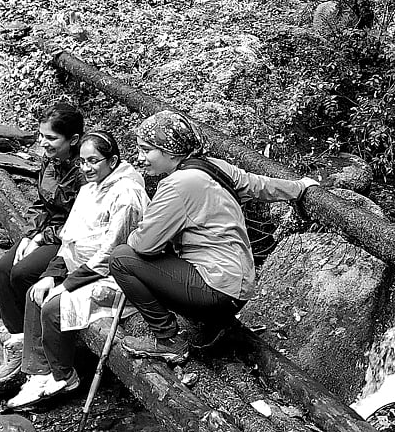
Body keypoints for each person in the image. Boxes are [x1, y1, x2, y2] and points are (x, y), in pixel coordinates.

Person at [109, 110, 319, 363]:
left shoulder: (177, 185)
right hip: (238, 287)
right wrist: (299, 187)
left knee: (121, 258)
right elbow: (258, 185)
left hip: (215, 290)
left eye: (146, 150)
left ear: (171, 152)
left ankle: (168, 341)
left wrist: (136, 234)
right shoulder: (213, 166)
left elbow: (143, 245)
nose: (140, 157)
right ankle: (211, 325)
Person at [7, 130, 149, 409]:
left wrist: (69, 283)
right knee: (36, 292)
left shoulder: (128, 194)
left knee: (54, 306)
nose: (86, 168)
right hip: (79, 268)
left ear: (113, 160)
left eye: (93, 161)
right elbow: (69, 239)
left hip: (115, 277)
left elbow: (111, 252)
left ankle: (63, 375)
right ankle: (39, 372)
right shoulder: (88, 188)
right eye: (83, 161)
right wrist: (52, 274)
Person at [0, 102, 84, 348]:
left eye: (51, 138)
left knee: (22, 273)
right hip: (46, 229)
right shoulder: (50, 161)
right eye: (41, 136)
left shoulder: (84, 172)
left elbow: (81, 221)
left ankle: (46, 338)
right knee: (3, 267)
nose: (43, 143)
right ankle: (19, 332)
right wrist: (29, 235)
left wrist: (42, 239)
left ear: (73, 139)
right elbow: (41, 203)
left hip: (69, 237)